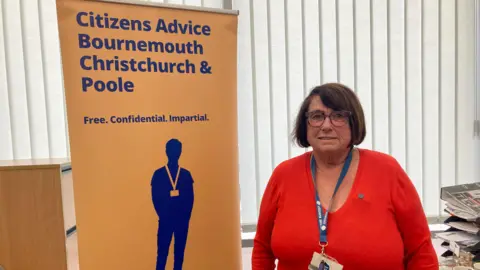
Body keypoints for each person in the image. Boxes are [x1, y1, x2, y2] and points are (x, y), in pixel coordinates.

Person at [252, 83, 439, 270]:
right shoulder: (283, 175)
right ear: (305, 125)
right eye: (317, 117)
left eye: (338, 116)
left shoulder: (388, 171)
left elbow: (421, 252)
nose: (326, 126)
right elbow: (262, 249)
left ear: (354, 122)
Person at [151, 138, 195, 270]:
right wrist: (164, 216)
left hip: (181, 221)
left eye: (177, 150)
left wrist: (185, 218)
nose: (175, 152)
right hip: (165, 221)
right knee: (162, 253)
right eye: (172, 150)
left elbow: (190, 199)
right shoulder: (158, 174)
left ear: (180, 152)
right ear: (166, 152)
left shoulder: (186, 175)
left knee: (179, 254)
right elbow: (155, 199)